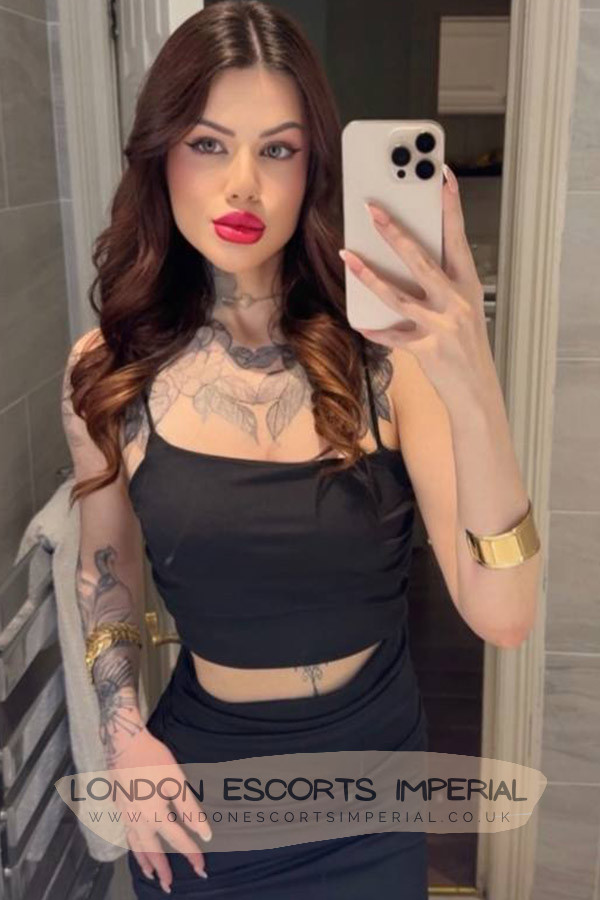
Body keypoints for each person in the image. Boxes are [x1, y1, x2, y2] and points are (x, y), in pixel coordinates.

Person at [61, 2, 542, 897]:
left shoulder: (388, 361)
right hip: (205, 801)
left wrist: (473, 378)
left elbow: (505, 616)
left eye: (277, 149)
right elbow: (104, 569)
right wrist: (122, 736)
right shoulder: (109, 369)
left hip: (375, 780)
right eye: (209, 144)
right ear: (161, 155)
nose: (242, 184)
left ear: (314, 165)